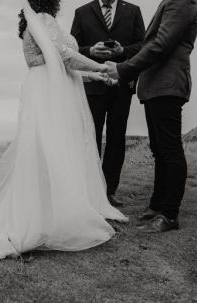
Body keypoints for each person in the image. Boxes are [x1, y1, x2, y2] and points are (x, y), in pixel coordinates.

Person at [0, 0, 127, 260]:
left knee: (46, 152)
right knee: (52, 150)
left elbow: (61, 67)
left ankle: (49, 210)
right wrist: (101, 66)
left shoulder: (37, 23)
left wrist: (95, 77)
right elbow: (65, 57)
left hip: (48, 89)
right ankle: (44, 217)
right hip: (50, 94)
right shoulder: (44, 21)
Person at [105, 0, 197, 233]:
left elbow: (160, 44)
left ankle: (169, 214)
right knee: (159, 150)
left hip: (168, 84)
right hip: (155, 86)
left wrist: (124, 68)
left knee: (170, 150)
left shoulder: (183, 2)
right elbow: (152, 44)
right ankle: (157, 206)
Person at [70, 0, 145, 207]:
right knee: (90, 137)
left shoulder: (134, 11)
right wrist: (91, 52)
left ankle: (109, 191)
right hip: (93, 84)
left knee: (116, 137)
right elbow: (72, 49)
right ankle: (90, 189)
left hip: (122, 85)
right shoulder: (81, 12)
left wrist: (122, 51)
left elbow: (143, 45)